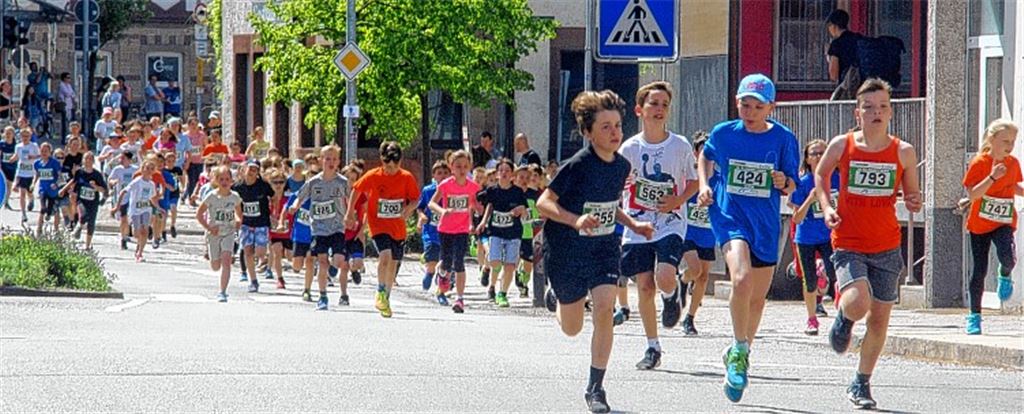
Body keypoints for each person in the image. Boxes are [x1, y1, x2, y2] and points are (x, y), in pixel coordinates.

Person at [538, 89, 654, 414]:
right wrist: (575, 220)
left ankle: (596, 388)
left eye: (617, 125)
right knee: (571, 327)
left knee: (605, 309)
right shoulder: (577, 165)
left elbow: (610, 206)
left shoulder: (622, 166)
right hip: (566, 251)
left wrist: (634, 226)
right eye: (605, 127)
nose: (615, 132)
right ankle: (558, 296)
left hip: (603, 247)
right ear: (588, 132)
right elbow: (543, 203)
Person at [817, 79, 922, 409]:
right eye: (869, 107)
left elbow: (912, 193)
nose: (876, 112)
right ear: (857, 112)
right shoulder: (842, 145)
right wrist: (827, 206)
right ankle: (845, 319)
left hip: (887, 244)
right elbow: (821, 176)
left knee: (879, 319)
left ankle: (861, 382)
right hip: (848, 240)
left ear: (890, 112)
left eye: (882, 107)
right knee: (858, 301)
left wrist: (915, 201)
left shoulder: (903, 151)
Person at [697, 74, 799, 403]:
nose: (750, 111)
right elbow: (706, 156)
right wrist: (704, 184)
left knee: (756, 299)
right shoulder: (724, 133)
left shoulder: (783, 138)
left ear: (771, 106)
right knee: (740, 280)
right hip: (729, 216)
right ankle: (740, 350)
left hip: (765, 224)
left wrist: (784, 180)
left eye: (757, 106)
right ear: (737, 102)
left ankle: (740, 350)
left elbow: (792, 184)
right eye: (744, 104)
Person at [618, 81, 699, 370]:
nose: (659, 109)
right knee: (643, 286)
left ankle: (672, 293)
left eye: (664, 104)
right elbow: (619, 181)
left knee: (664, 275)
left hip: (670, 221)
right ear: (640, 109)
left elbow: (693, 182)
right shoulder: (629, 147)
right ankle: (653, 346)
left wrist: (677, 199)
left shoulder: (679, 145)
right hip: (638, 223)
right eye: (654, 103)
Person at [960, 119, 1021, 334]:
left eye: (1013, 142)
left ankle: (1005, 273)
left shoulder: (1013, 163)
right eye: (1005, 141)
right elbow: (973, 193)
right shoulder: (979, 163)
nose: (1010, 146)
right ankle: (974, 316)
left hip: (1003, 221)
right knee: (979, 270)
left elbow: (1013, 185)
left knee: (1008, 258)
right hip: (980, 224)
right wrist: (993, 176)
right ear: (992, 139)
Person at [346, 141, 420, 318]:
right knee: (385, 256)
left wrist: (408, 210)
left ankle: (386, 297)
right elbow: (356, 190)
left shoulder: (406, 177)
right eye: (387, 166)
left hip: (397, 226)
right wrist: (349, 213)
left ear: (400, 162)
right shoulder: (374, 175)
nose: (390, 170)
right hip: (377, 223)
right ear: (382, 160)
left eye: (394, 166)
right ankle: (379, 290)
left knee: (393, 262)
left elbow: (415, 199)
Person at [787, 139, 840, 336]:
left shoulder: (838, 179)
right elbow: (797, 217)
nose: (818, 157)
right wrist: (811, 198)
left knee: (837, 275)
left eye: (822, 153)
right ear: (807, 159)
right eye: (814, 154)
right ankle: (811, 319)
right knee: (809, 281)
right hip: (807, 237)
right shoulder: (802, 183)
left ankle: (841, 316)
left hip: (830, 235)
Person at [289, 146, 350, 310]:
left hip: (337, 227)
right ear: (321, 161)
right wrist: (294, 206)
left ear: (338, 161)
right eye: (327, 159)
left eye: (334, 159)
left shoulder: (342, 182)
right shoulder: (313, 182)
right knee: (322, 262)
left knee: (338, 260)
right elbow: (300, 197)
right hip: (319, 228)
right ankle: (323, 296)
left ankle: (332, 269)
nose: (331, 162)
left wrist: (351, 215)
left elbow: (350, 199)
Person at [429, 150, 481, 311]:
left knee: (459, 262)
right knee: (446, 261)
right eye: (458, 166)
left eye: (465, 166)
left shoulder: (473, 186)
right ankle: (442, 273)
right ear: (452, 167)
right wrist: (442, 211)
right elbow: (432, 203)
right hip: (445, 228)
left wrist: (480, 210)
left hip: (462, 229)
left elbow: (475, 204)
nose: (462, 169)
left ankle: (459, 299)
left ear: (470, 167)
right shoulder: (445, 185)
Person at [475, 158, 528, 308]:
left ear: (512, 175)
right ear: (497, 174)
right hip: (496, 231)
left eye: (507, 171)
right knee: (495, 262)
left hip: (513, 233)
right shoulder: (492, 191)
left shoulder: (517, 192)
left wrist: (520, 210)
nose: (504, 173)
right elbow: (489, 207)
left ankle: (502, 293)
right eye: (501, 170)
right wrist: (483, 222)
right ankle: (491, 285)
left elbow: (524, 211)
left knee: (510, 265)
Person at [680, 132, 715, 336]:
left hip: (707, 233)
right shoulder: (688, 177)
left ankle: (690, 318)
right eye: (703, 149)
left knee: (703, 277)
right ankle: (683, 280)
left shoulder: (719, 178)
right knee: (694, 269)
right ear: (695, 152)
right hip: (687, 230)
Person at [197, 166, 243, 302]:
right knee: (215, 266)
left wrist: (238, 221)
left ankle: (222, 292)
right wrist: (209, 228)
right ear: (216, 180)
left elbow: (239, 214)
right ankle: (212, 258)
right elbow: (199, 214)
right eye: (221, 179)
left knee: (227, 260)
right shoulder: (211, 196)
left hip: (228, 232)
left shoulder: (235, 197)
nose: (224, 182)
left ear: (231, 181)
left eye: (227, 179)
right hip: (214, 234)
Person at [234, 161, 274, 293]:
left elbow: (274, 197)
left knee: (260, 252)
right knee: (248, 252)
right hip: (246, 223)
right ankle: (253, 280)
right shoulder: (238, 187)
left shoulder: (263, 186)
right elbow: (233, 203)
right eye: (249, 169)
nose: (251, 172)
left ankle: (264, 261)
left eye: (254, 170)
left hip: (261, 222)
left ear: (258, 172)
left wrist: (275, 213)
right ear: (244, 169)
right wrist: (237, 218)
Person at [61, 152, 107, 249]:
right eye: (86, 159)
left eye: (90, 159)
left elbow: (104, 189)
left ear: (93, 161)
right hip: (81, 200)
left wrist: (95, 187)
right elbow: (73, 181)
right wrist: (64, 189)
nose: (88, 161)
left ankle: (87, 245)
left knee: (91, 223)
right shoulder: (79, 172)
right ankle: (78, 228)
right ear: (83, 160)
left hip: (93, 202)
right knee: (83, 215)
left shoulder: (97, 175)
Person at [417, 160, 450, 291]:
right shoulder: (428, 190)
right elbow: (420, 208)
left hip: (448, 232)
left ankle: (443, 280)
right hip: (431, 232)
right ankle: (430, 273)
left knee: (446, 260)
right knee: (432, 261)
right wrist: (422, 217)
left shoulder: (453, 190)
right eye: (439, 173)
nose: (442, 176)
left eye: (445, 173)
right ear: (434, 176)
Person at [120, 159, 162, 262]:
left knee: (145, 230)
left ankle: (140, 253)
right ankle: (136, 236)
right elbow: (124, 191)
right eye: (147, 168)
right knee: (136, 233)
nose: (149, 171)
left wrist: (158, 208)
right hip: (135, 210)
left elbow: (152, 198)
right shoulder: (137, 181)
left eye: (151, 169)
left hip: (146, 209)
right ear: (142, 169)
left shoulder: (152, 184)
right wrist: (117, 206)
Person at [826, 10, 864, 98]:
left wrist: (829, 59)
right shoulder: (859, 38)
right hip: (864, 88)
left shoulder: (836, 44)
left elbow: (833, 75)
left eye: (829, 26)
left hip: (848, 90)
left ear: (834, 26)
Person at [341, 164, 366, 285]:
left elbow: (367, 213)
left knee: (358, 262)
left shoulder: (360, 195)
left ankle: (354, 270)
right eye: (347, 178)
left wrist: (362, 231)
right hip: (341, 235)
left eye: (353, 179)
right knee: (343, 265)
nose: (350, 182)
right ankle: (343, 294)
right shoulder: (337, 195)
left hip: (355, 234)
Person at [267, 168, 291, 289]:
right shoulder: (268, 199)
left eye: (281, 182)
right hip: (274, 232)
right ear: (270, 183)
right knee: (277, 252)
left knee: (290, 256)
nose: (278, 185)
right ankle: (280, 278)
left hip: (289, 232)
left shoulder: (289, 198)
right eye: (275, 182)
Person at [107, 152, 138, 250]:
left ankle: (129, 233)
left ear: (129, 159)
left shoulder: (135, 169)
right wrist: (113, 182)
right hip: (122, 197)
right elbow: (110, 180)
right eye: (121, 158)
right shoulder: (117, 169)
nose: (121, 160)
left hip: (133, 197)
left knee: (131, 218)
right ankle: (123, 238)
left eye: (123, 158)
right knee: (123, 218)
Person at [32, 143, 63, 234]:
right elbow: (37, 174)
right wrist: (33, 184)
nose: (44, 153)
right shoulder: (37, 163)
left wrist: (56, 184)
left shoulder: (54, 163)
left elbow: (60, 176)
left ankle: (49, 215)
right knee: (42, 208)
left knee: (50, 209)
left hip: (52, 190)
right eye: (42, 151)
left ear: (50, 152)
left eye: (46, 151)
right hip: (43, 188)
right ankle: (39, 229)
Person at [12, 128, 39, 222]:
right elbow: (16, 156)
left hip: (31, 173)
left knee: (29, 192)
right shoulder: (18, 146)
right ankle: (23, 214)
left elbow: (39, 156)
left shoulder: (34, 146)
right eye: (23, 136)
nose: (25, 138)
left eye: (27, 136)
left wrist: (33, 157)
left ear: (30, 136)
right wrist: (10, 160)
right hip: (21, 172)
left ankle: (31, 200)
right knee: (22, 193)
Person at [1, 126, 18, 209]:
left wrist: (14, 158)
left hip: (12, 167)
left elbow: (18, 155)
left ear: (13, 135)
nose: (7, 135)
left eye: (9, 133)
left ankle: (6, 201)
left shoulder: (16, 145)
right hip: (3, 167)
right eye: (6, 133)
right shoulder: (1, 143)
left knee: (9, 185)